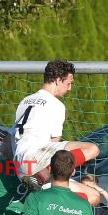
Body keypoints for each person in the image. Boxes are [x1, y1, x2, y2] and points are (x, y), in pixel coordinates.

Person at [12, 59, 100, 192]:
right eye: (68, 83)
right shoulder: (56, 105)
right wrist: (68, 166)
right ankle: (42, 177)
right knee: (93, 149)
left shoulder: (25, 101)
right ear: (58, 80)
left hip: (18, 164)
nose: (70, 88)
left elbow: (8, 141)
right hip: (37, 161)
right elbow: (55, 143)